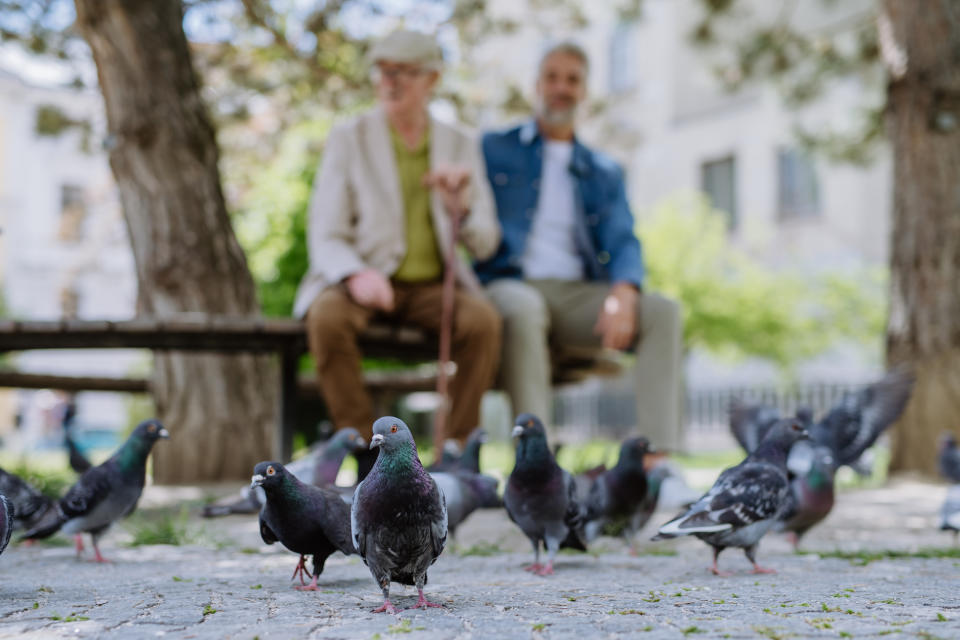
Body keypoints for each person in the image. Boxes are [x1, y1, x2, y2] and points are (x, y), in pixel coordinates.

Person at [292, 30, 502, 475]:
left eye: (404, 72)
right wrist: (354, 275)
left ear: (432, 79)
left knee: (483, 323)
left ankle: (457, 454)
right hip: (364, 281)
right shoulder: (349, 136)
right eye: (383, 71)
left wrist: (458, 205)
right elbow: (325, 232)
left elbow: (486, 241)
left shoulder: (460, 143)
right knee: (325, 318)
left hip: (431, 286)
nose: (390, 82)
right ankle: (366, 454)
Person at [475, 42, 684, 450]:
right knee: (523, 308)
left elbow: (623, 237)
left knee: (662, 312)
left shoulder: (603, 169)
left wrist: (624, 291)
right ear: (537, 85)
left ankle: (657, 460)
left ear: (584, 91)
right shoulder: (492, 148)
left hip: (576, 294)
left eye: (572, 80)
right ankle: (536, 466)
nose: (561, 87)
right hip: (509, 283)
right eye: (552, 77)